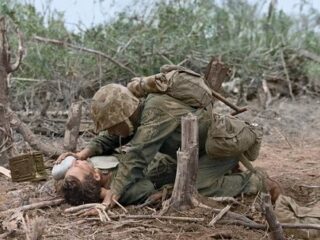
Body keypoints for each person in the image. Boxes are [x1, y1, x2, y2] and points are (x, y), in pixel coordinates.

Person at [56, 83, 281, 208]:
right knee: (182, 177)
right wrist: (83, 152)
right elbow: (114, 137)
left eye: (114, 126)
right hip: (197, 151)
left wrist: (112, 193)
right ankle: (222, 170)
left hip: (220, 147)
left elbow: (136, 156)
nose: (113, 132)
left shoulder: (155, 113)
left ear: (124, 117)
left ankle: (256, 182)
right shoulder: (139, 115)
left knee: (194, 187)